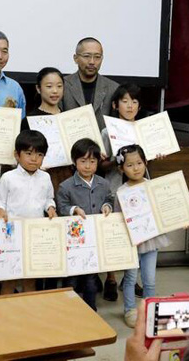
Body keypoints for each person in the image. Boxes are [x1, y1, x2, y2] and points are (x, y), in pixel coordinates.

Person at [0, 130, 57, 294]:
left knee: (30, 278)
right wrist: (0, 210)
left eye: (40, 154)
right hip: (11, 235)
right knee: (9, 279)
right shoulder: (8, 177)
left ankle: (29, 316)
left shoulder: (45, 177)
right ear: (17, 155)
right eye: (28, 153)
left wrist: (50, 208)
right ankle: (5, 315)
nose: (34, 159)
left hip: (35, 234)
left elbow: (49, 198)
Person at [115, 144, 170, 327]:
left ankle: (149, 308)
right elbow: (117, 220)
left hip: (151, 240)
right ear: (121, 168)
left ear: (146, 162)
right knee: (130, 278)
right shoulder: (121, 192)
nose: (136, 168)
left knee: (150, 279)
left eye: (139, 163)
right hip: (132, 242)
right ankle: (130, 310)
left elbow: (164, 210)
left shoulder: (153, 186)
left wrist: (182, 219)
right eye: (129, 165)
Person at [56, 138, 114, 310]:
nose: (88, 166)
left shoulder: (104, 184)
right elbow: (61, 207)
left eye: (92, 161)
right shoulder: (66, 186)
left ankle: (91, 309)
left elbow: (109, 198)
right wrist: (73, 209)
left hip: (94, 239)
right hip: (74, 239)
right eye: (83, 161)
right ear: (75, 162)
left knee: (91, 277)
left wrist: (107, 205)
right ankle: (69, 309)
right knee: (72, 277)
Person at [100, 83, 144, 301]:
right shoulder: (108, 131)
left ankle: (131, 277)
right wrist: (116, 159)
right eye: (125, 101)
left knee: (137, 231)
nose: (130, 106)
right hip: (116, 186)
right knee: (115, 232)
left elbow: (147, 161)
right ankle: (110, 277)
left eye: (134, 101)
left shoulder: (145, 130)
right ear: (116, 105)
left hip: (140, 187)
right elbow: (101, 165)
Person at [20, 67, 73, 193]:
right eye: (49, 86)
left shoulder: (69, 119)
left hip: (68, 179)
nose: (55, 91)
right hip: (39, 180)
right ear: (38, 89)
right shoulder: (29, 120)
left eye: (59, 86)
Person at [62, 37, 119, 129]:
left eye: (97, 57)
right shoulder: (63, 85)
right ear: (75, 58)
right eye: (87, 56)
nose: (92, 62)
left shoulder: (113, 88)